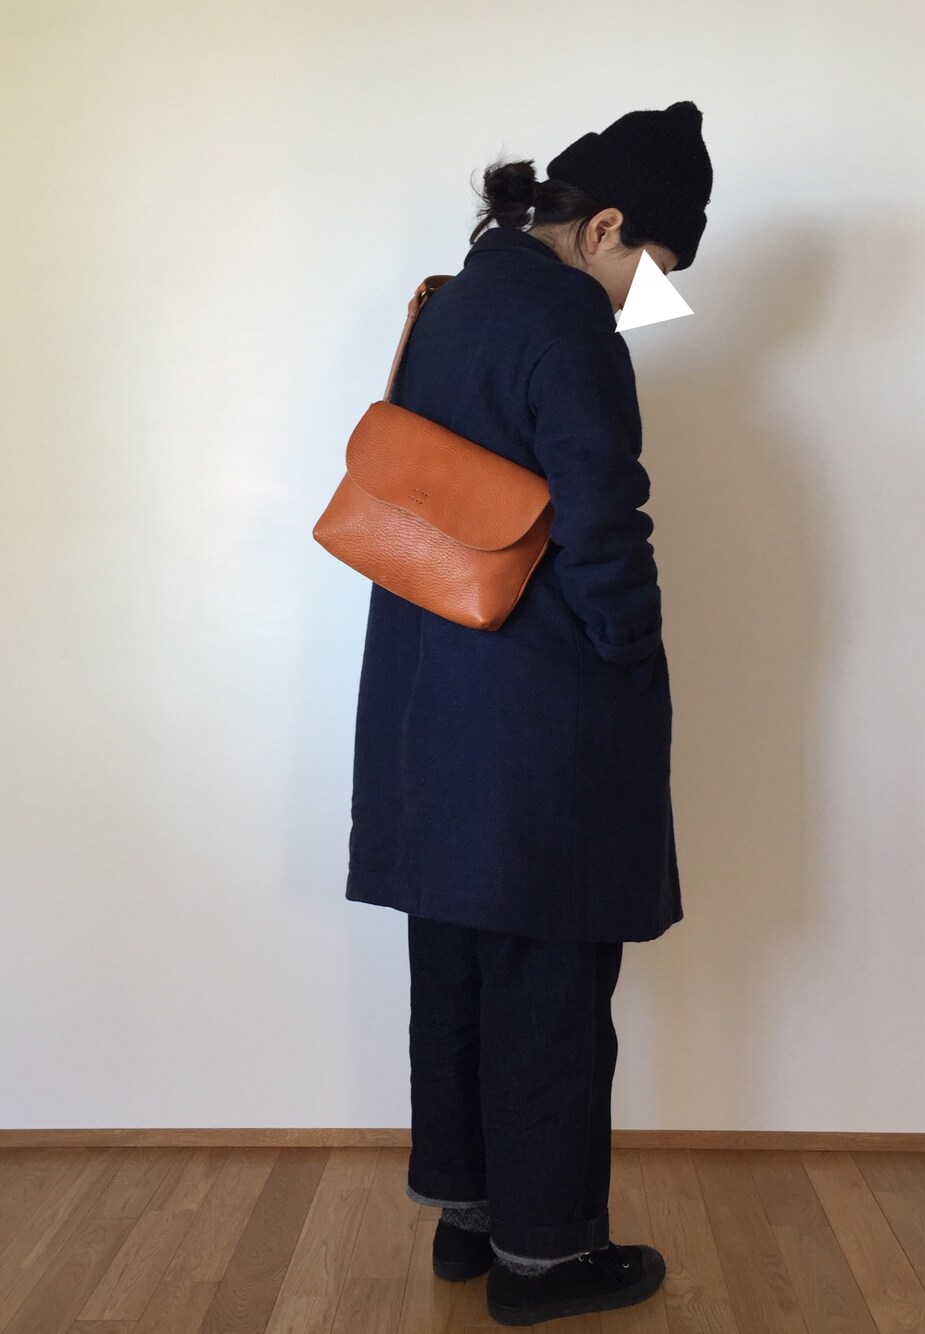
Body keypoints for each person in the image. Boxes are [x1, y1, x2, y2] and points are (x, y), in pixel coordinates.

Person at [344, 102, 713, 1325]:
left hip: (430, 691)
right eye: (652, 268)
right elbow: (604, 526)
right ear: (604, 227)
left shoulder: (452, 301)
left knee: (456, 957)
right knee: (548, 977)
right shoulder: (567, 326)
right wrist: (634, 654)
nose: (647, 299)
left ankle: (471, 1214)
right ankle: (546, 1258)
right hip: (542, 707)